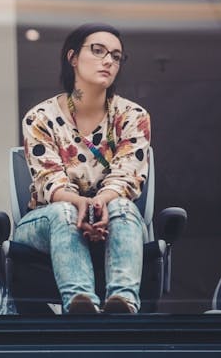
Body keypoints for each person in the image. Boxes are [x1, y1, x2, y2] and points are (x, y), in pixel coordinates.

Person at [15, 23, 150, 314]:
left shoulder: (132, 116)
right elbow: (50, 183)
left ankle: (123, 305)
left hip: (113, 215)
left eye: (116, 56)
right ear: (73, 57)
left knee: (123, 207)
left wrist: (99, 203)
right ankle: (80, 306)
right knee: (65, 212)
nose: (108, 61)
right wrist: (80, 204)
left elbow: (127, 176)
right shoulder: (41, 117)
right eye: (98, 51)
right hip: (48, 219)